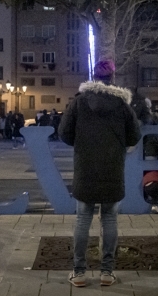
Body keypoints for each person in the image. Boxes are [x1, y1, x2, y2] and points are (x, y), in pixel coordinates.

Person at [60, 59, 141, 288]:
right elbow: (135, 136)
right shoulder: (122, 105)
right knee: (110, 218)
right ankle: (107, 272)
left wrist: (82, 141)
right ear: (112, 78)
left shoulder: (79, 102)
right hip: (113, 167)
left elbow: (64, 133)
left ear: (93, 77)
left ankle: (79, 273)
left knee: (83, 219)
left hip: (85, 167)